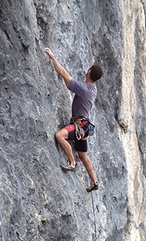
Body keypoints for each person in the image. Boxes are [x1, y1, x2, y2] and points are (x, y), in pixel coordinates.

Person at [44, 48, 103, 193]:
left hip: (79, 124)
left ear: (89, 71)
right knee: (83, 155)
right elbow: (69, 82)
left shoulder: (84, 88)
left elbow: (64, 74)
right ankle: (94, 181)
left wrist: (53, 57)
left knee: (59, 136)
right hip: (85, 126)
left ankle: (72, 162)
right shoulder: (92, 89)